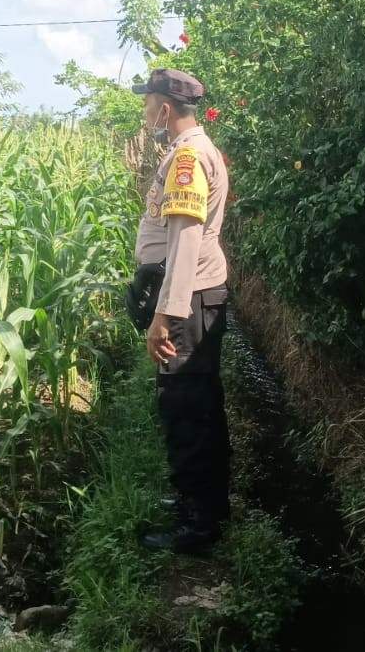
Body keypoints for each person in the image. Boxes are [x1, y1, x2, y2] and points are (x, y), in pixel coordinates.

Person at [127, 67, 231, 555]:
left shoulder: (187, 157)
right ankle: (204, 502)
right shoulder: (187, 150)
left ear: (165, 108)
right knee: (198, 403)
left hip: (188, 300)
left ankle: (198, 525)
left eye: (147, 102)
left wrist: (163, 317)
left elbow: (186, 242)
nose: (144, 111)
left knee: (185, 405)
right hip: (193, 295)